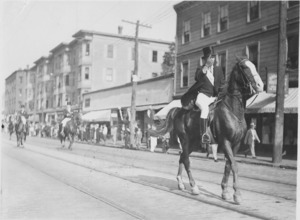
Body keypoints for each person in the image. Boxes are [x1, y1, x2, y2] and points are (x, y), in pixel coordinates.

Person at [181, 46, 225, 145]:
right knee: (205, 109)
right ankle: (203, 135)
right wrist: (205, 67)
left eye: (213, 57)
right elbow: (197, 77)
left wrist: (221, 92)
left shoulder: (218, 69)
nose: (212, 59)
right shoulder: (200, 69)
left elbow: (222, 83)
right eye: (209, 57)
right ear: (205, 59)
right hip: (202, 96)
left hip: (214, 97)